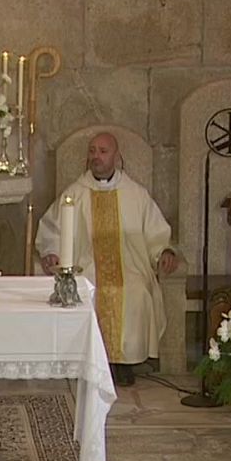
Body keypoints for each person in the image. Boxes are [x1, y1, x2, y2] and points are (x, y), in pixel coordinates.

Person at [36, 132, 178, 387]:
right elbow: (52, 228)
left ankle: (123, 363)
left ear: (116, 156)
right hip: (86, 264)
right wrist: (51, 251)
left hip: (129, 265)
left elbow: (156, 232)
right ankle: (96, 361)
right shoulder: (75, 193)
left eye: (102, 151)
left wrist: (163, 252)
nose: (96, 157)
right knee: (87, 289)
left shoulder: (136, 194)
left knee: (136, 291)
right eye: (92, 151)